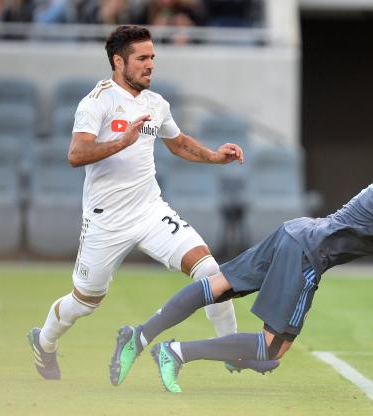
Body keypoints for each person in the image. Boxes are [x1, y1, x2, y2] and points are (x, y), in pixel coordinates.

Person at [110, 144, 373, 393]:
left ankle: (138, 336)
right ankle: (176, 352)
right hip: (310, 252)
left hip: (297, 232)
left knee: (218, 285)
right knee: (270, 352)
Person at [28, 25, 278, 383]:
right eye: (142, 58)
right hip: (106, 221)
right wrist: (122, 140)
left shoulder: (155, 103)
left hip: (150, 211)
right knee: (83, 303)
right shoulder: (97, 101)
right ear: (119, 61)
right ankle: (44, 342)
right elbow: (76, 153)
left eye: (152, 58)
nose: (150, 65)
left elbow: (177, 143)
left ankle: (232, 349)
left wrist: (214, 156)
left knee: (211, 272)